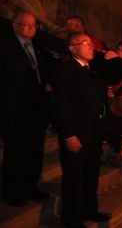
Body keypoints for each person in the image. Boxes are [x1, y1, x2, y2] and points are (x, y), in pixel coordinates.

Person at [53, 33, 109, 227]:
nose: (90, 47)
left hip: (93, 133)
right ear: (73, 48)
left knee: (91, 175)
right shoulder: (66, 70)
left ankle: (89, 210)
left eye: (91, 43)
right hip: (76, 133)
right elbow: (62, 104)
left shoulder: (91, 70)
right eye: (85, 43)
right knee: (74, 178)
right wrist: (69, 134)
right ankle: (72, 218)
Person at [0, 10, 51, 206]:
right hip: (14, 110)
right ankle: (12, 191)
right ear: (15, 26)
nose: (30, 28)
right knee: (15, 152)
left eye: (33, 25)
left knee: (34, 151)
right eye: (25, 24)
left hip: (37, 111)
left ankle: (31, 187)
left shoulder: (38, 48)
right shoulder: (5, 47)